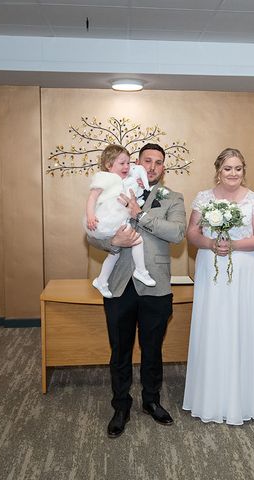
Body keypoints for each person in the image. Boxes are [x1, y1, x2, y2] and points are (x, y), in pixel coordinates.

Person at [182, 147, 254, 425]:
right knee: (213, 324)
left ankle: (246, 394)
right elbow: (192, 233)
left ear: (243, 171)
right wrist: (211, 243)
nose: (233, 174)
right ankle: (210, 394)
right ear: (218, 171)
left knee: (242, 324)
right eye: (227, 169)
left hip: (245, 269)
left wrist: (233, 244)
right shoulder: (204, 198)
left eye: (238, 168)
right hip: (211, 266)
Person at [87, 143, 187, 438]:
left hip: (155, 286)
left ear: (163, 167)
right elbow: (92, 233)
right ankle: (120, 406)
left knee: (152, 348)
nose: (153, 166)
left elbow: (177, 233)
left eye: (158, 162)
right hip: (119, 284)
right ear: (136, 163)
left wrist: (139, 213)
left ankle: (151, 401)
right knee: (119, 349)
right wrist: (112, 243)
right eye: (147, 160)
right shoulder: (114, 187)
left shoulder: (173, 198)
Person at [85, 144, 155, 298]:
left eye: (128, 163)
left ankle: (101, 280)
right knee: (137, 239)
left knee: (115, 253)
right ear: (109, 165)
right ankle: (141, 271)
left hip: (118, 218)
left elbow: (131, 199)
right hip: (106, 218)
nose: (126, 166)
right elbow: (92, 198)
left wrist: (140, 186)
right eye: (122, 163)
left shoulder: (126, 180)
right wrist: (90, 216)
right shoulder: (104, 177)